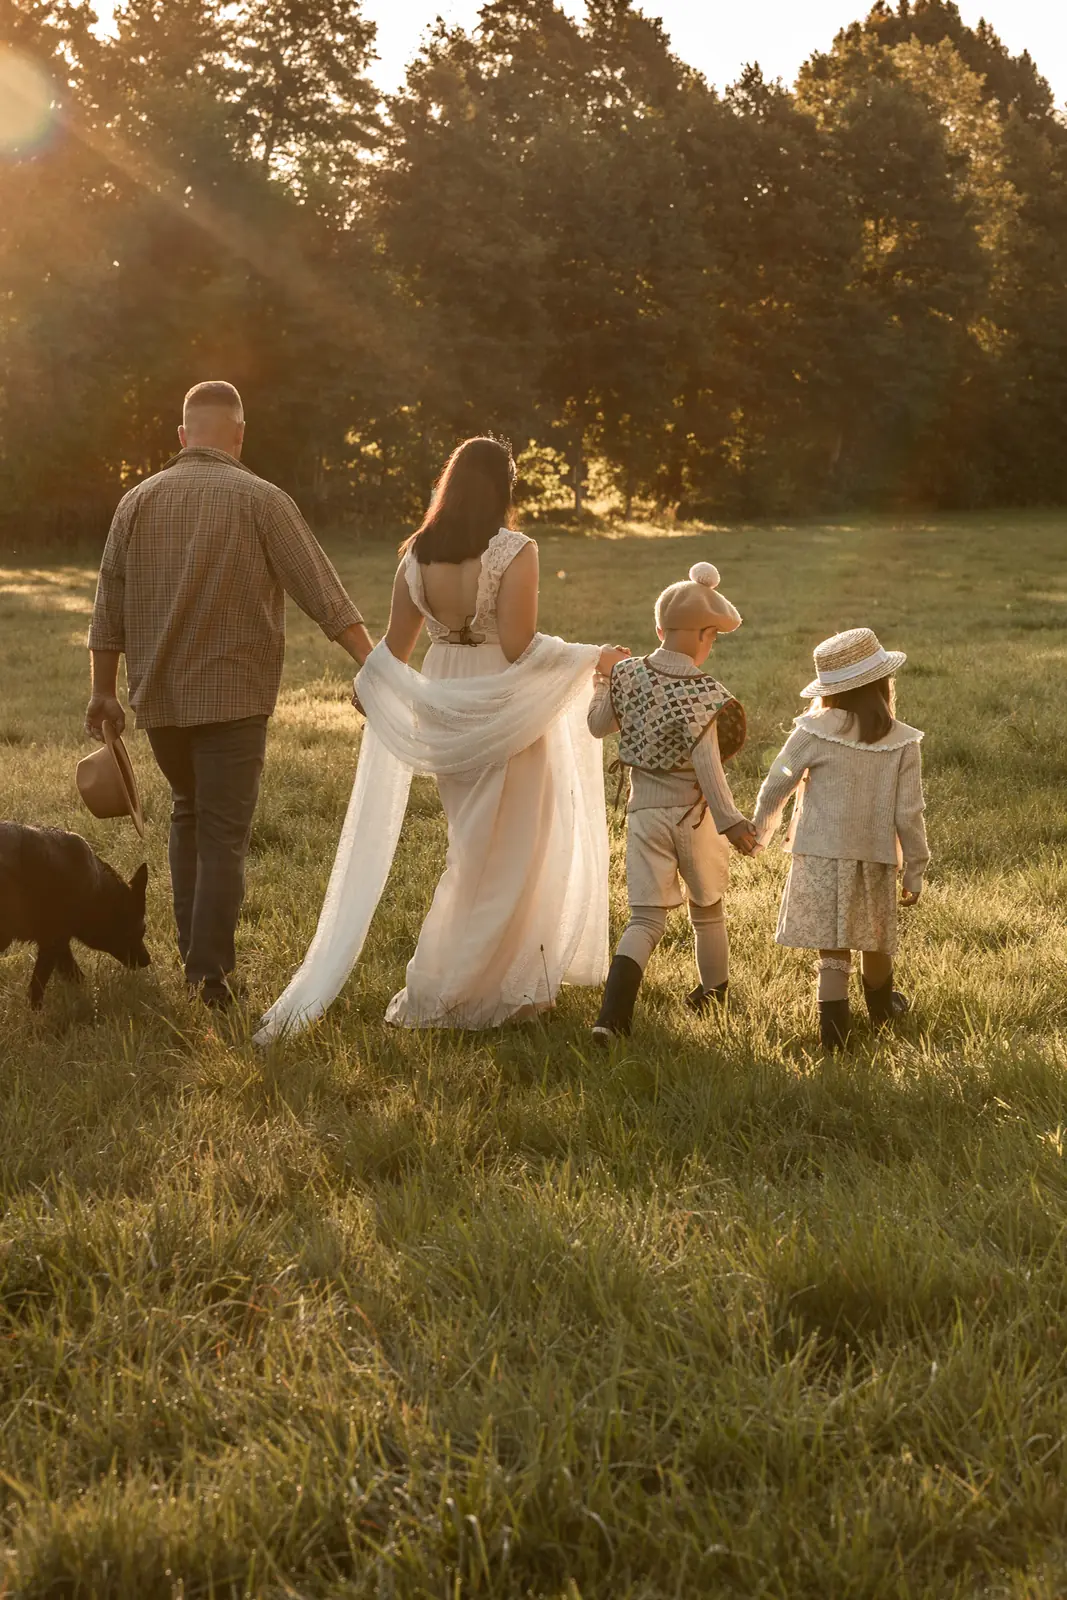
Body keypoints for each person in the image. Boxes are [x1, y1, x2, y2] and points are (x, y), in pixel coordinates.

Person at [256, 436, 629, 1041]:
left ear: (449, 484)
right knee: (510, 852)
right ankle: (470, 987)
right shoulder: (515, 551)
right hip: (499, 702)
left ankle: (477, 981)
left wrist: (369, 686)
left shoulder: (416, 556)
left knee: (473, 849)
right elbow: (518, 648)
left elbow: (396, 649)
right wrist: (593, 656)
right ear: (503, 488)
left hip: (443, 699)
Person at [85, 380, 373, 1008]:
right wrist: (374, 666)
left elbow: (107, 606)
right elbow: (321, 592)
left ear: (183, 436)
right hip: (233, 700)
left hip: (158, 700)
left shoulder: (136, 502)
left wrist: (103, 694)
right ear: (239, 436)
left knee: (188, 810)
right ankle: (209, 975)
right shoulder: (260, 499)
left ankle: (197, 959)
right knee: (221, 833)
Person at [586, 562, 756, 1044]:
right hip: (694, 815)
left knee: (645, 918)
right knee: (708, 906)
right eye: (713, 637)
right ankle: (714, 991)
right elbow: (709, 767)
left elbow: (598, 727)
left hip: (644, 814)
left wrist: (604, 681)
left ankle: (611, 1020)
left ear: (658, 630)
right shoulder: (703, 692)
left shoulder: (626, 676)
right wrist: (733, 823)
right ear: (704, 635)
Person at [752, 626, 930, 1052]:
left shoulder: (812, 729)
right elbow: (910, 813)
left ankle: (833, 1031)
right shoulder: (901, 740)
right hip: (875, 858)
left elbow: (777, 783)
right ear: (882, 684)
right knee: (874, 937)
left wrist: (758, 832)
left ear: (829, 689)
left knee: (832, 948)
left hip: (818, 854)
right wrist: (915, 871)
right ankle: (883, 1012)